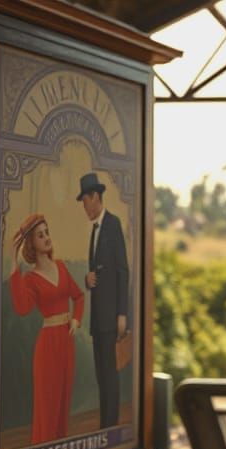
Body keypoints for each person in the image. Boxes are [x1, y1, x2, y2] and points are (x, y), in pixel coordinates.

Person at [9, 213, 85, 444]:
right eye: (40, 235)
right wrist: (14, 263)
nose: (46, 237)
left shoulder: (61, 267)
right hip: (47, 344)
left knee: (63, 400)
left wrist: (76, 320)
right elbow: (22, 308)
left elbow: (79, 296)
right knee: (47, 403)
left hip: (66, 342)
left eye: (47, 232)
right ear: (31, 244)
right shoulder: (30, 279)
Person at [76, 172, 129, 429]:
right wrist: (87, 280)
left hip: (110, 316)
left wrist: (122, 314)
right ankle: (104, 425)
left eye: (85, 200)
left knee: (109, 372)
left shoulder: (113, 224)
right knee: (101, 373)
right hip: (97, 317)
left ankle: (111, 424)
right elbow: (96, 272)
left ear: (95, 197)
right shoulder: (93, 231)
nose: (84, 206)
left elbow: (122, 270)